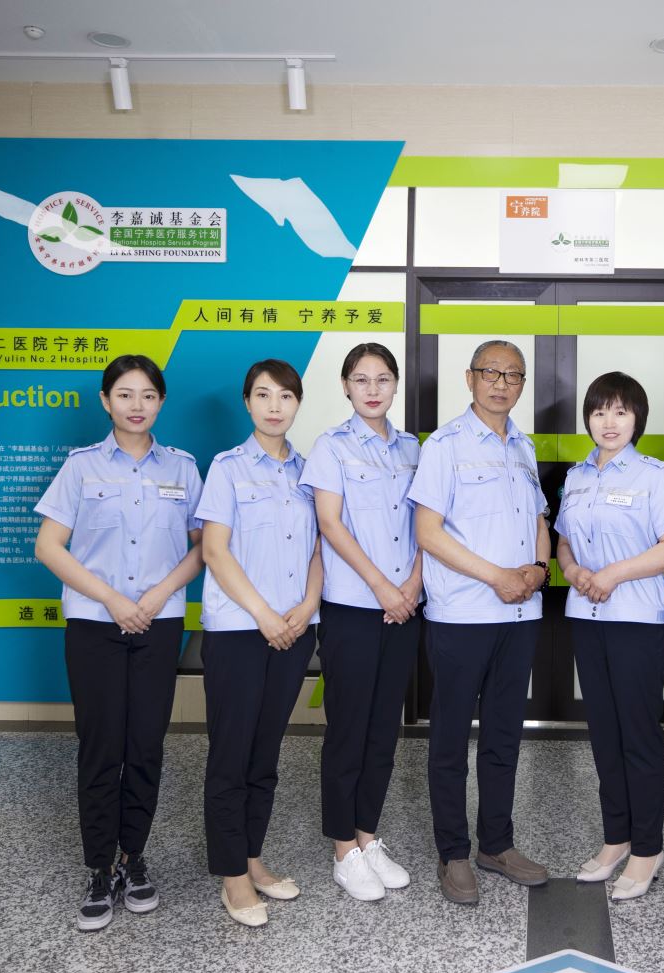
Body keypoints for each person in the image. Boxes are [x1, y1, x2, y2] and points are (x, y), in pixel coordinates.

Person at [33, 354, 204, 932]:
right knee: (102, 746)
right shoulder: (81, 467)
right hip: (95, 625)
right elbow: (48, 547)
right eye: (125, 394)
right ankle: (99, 867)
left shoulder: (183, 467)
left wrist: (156, 596)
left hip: (159, 623)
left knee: (146, 744)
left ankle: (134, 858)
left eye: (148, 395)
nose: (137, 405)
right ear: (106, 401)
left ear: (161, 402)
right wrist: (112, 599)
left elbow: (204, 547)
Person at [407, 339, 552, 905]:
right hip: (463, 613)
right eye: (490, 372)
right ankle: (454, 852)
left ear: (522, 386)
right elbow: (428, 533)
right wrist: (497, 576)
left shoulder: (524, 446)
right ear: (469, 379)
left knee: (503, 735)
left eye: (512, 375)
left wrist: (538, 569)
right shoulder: (444, 445)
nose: (501, 383)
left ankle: (497, 843)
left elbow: (539, 521)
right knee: (449, 739)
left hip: (520, 614)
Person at [196, 358, 323, 927]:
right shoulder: (227, 468)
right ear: (247, 402)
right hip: (240, 631)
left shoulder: (309, 472)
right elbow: (215, 550)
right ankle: (232, 876)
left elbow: (320, 549)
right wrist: (264, 614)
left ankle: (252, 857)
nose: (275, 406)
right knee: (231, 754)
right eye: (264, 395)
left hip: (294, 630)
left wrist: (307, 606)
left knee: (265, 753)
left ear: (298, 403)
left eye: (286, 396)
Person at [555, 373, 664, 903]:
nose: (608, 422)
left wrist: (613, 574)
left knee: (638, 735)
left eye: (620, 412)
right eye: (599, 412)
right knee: (604, 735)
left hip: (636, 618)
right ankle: (617, 838)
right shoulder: (576, 476)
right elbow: (564, 542)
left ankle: (647, 848)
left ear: (637, 419)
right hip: (587, 616)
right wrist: (574, 570)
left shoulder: (653, 475)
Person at [301, 343, 422, 901]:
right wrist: (382, 587)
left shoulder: (414, 449)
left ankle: (369, 838)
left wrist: (412, 585)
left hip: (405, 608)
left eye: (382, 379)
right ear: (346, 387)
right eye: (361, 379)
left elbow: (427, 525)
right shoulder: (332, 447)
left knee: (382, 732)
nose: (372, 389)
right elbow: (330, 523)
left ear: (395, 385)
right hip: (353, 606)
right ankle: (343, 850)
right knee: (348, 731)